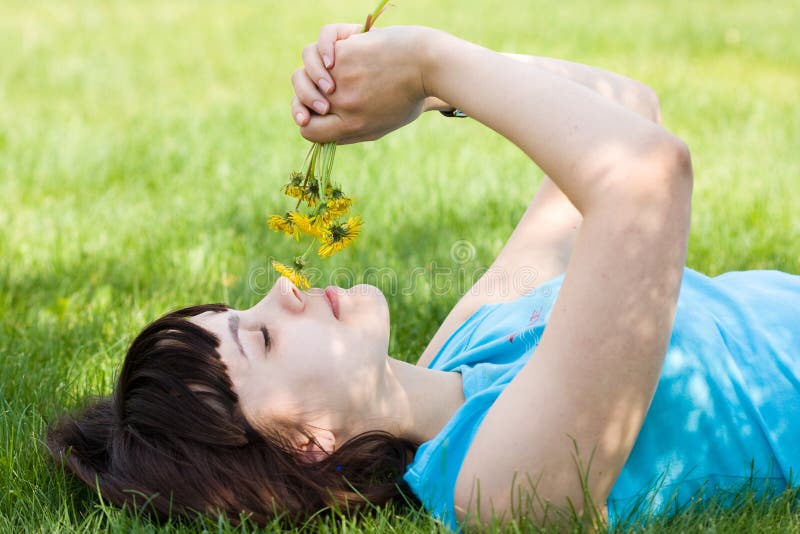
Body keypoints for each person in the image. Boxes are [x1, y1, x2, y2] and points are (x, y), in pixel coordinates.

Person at [47, 24, 800, 530]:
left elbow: (627, 108)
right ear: (306, 445)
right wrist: (427, 62)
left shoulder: (464, 350)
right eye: (265, 338)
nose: (284, 288)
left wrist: (425, 96)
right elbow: (646, 175)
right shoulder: (501, 488)